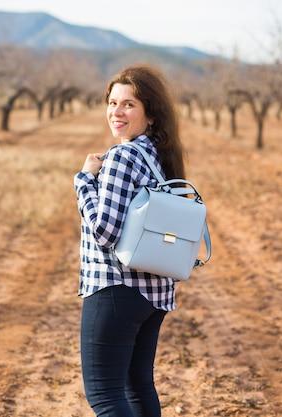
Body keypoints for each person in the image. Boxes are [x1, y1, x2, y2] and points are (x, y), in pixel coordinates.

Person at [73, 63, 186, 417]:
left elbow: (105, 232)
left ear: (149, 113)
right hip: (152, 292)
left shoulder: (122, 156)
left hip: (115, 288)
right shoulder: (157, 156)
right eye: (112, 102)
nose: (116, 112)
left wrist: (83, 181)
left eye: (129, 104)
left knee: (105, 397)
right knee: (137, 387)